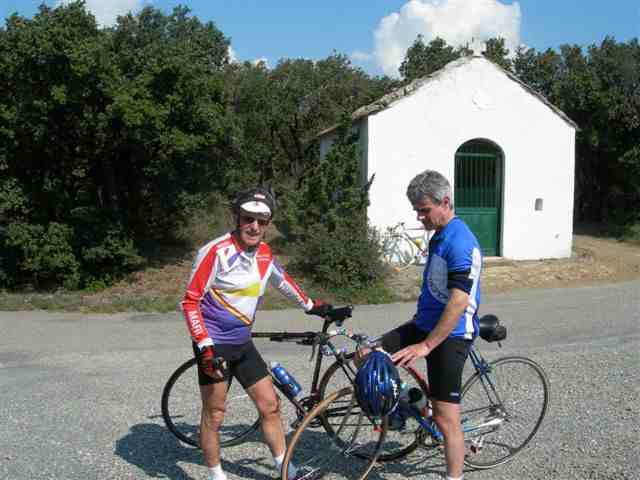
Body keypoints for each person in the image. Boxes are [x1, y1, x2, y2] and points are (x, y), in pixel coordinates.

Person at [180, 186, 330, 480]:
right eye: (249, 219)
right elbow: (189, 301)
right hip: (214, 344)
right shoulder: (215, 252)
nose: (255, 226)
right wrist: (205, 346)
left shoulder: (263, 253)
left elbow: (282, 281)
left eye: (262, 222)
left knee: (270, 406)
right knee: (215, 414)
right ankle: (216, 476)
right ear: (238, 218)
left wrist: (313, 306)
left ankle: (287, 471)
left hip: (242, 342)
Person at [363, 170, 482, 480]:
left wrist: (426, 345)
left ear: (445, 202)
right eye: (416, 209)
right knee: (366, 355)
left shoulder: (461, 241)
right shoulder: (440, 234)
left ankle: (454, 476)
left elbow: (457, 303)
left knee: (446, 420)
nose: (419, 216)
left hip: (450, 335)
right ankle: (414, 403)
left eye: (424, 210)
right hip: (424, 324)